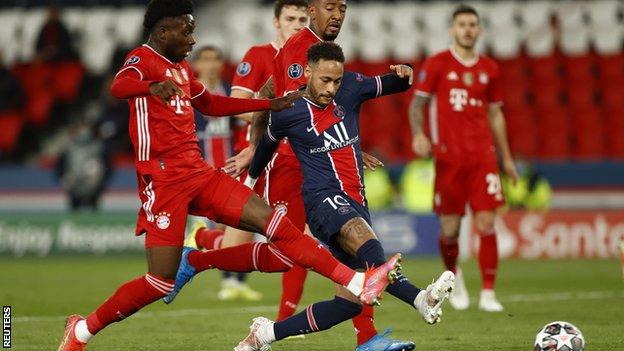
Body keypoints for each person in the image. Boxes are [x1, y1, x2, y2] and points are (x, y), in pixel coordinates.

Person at [56, 1, 398, 350]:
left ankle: (355, 281)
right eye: (186, 30)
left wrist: (269, 105)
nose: (192, 38)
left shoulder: (182, 69)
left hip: (198, 172)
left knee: (275, 224)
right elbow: (119, 85)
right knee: (160, 282)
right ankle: (82, 331)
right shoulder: (142, 60)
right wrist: (149, 87)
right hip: (163, 182)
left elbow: (212, 104)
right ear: (163, 32)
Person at [233, 42, 454, 351]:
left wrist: (406, 74)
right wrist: (250, 183)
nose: (332, 87)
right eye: (325, 80)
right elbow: (265, 148)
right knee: (371, 247)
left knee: (349, 302)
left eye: (336, 80)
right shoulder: (288, 110)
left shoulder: (351, 86)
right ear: (308, 71)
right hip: (322, 200)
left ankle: (265, 334)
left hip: (355, 201)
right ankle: (421, 299)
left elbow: (397, 84)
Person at [224, 1, 405, 350]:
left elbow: (270, 96)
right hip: (296, 163)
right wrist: (256, 146)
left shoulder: (318, 51)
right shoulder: (300, 50)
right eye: (329, 7)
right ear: (313, 10)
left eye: (343, 7)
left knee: (343, 254)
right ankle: (200, 258)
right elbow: (290, 108)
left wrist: (346, 146)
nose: (337, 14)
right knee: (293, 253)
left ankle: (363, 337)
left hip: (316, 161)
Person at [188, 0, 309, 306]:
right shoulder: (258, 55)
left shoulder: (313, 58)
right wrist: (278, 117)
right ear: (276, 22)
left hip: (298, 159)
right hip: (260, 158)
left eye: (302, 19)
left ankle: (284, 318)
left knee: (295, 240)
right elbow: (237, 104)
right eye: (291, 18)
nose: (297, 24)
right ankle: (203, 239)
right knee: (237, 252)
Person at [408, 4, 518, 312]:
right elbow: (417, 106)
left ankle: (488, 293)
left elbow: (496, 115)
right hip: (449, 160)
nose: (468, 29)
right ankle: (453, 276)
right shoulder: (438, 63)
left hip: (483, 158)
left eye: (472, 24)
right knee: (450, 230)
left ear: (479, 30)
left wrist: (506, 158)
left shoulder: (490, 69)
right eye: (462, 24)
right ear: (452, 30)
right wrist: (418, 134)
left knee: (486, 222)